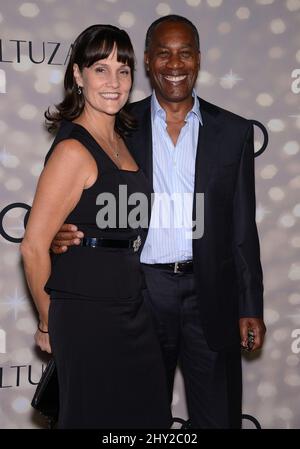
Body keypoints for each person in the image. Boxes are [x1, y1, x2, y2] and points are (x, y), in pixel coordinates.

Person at [51, 15, 266, 428]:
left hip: (212, 296)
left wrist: (250, 305)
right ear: (148, 62)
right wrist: (65, 231)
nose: (175, 63)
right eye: (163, 53)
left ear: (198, 60)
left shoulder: (233, 132)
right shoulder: (116, 127)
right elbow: (79, 194)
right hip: (141, 293)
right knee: (138, 419)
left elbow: (242, 227)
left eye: (185, 53)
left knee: (218, 417)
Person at [20, 24, 172, 429]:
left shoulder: (126, 140)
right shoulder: (73, 149)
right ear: (77, 75)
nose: (114, 81)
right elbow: (33, 245)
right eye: (100, 69)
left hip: (132, 306)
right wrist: (49, 322)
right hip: (86, 315)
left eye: (123, 70)